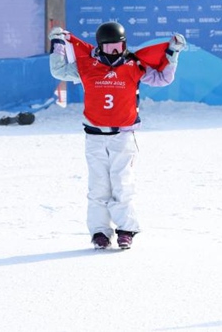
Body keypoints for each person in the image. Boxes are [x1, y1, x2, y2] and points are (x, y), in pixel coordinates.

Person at [49, 22, 185, 250]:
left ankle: (126, 229)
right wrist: (57, 44)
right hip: (94, 136)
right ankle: (100, 231)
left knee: (123, 184)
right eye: (110, 47)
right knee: (98, 186)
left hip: (122, 136)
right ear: (100, 47)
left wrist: (173, 54)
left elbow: (162, 79)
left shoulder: (134, 64)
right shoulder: (86, 65)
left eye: (119, 46)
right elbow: (59, 71)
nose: (115, 52)